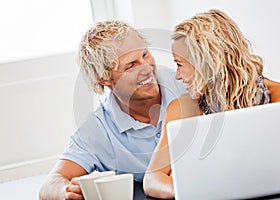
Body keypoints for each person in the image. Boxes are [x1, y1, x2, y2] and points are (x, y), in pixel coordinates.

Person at [143, 9, 280, 199]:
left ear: (206, 63)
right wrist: (189, 191)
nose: (177, 75)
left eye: (180, 64)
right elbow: (152, 178)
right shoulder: (182, 109)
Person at [39, 21, 186, 199]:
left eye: (145, 54)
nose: (146, 69)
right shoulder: (98, 129)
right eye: (131, 65)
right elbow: (51, 183)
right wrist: (66, 192)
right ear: (104, 80)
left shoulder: (188, 84)